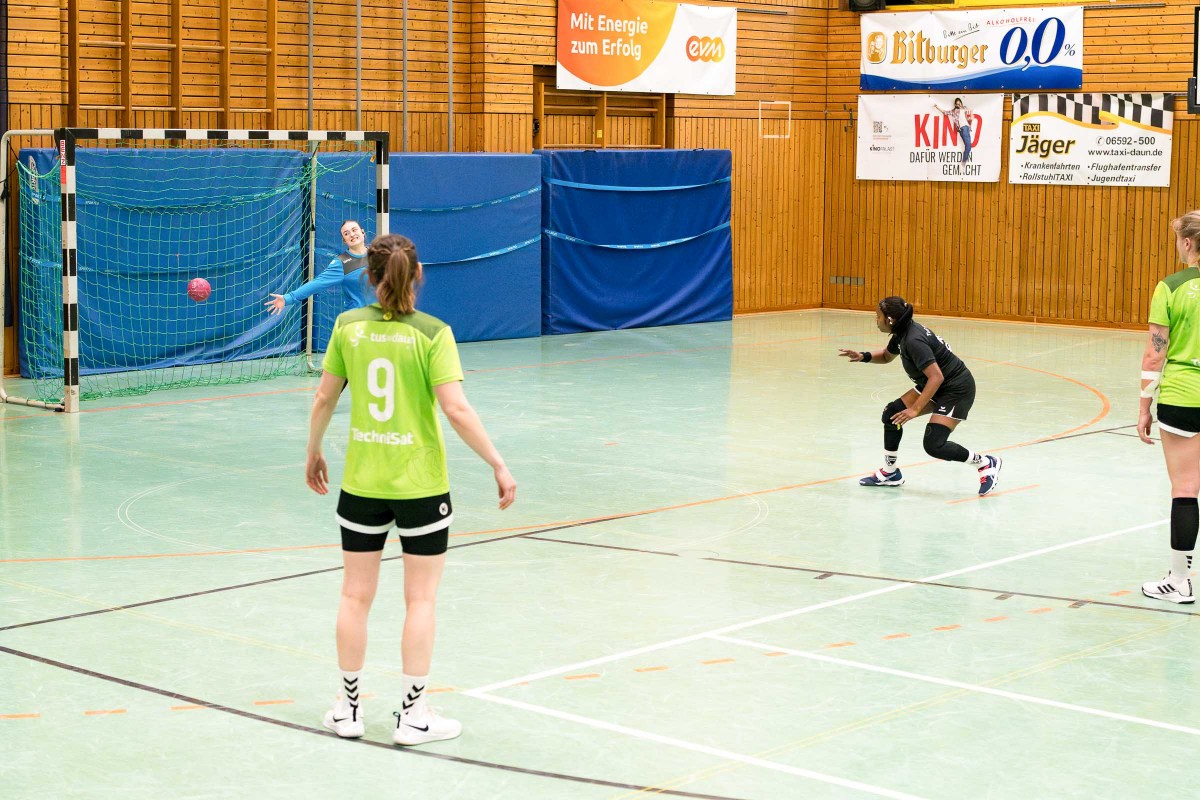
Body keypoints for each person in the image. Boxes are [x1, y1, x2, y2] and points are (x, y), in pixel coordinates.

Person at [305, 233, 517, 744]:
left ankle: (348, 711)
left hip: (363, 483)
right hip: (421, 486)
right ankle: (413, 716)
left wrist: (313, 450)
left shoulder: (347, 326)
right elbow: (456, 409)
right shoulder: (433, 333)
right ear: (417, 274)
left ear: (368, 276)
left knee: (354, 595)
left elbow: (323, 397)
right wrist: (498, 463)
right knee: (420, 600)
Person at [839, 296, 1002, 496]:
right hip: (934, 385)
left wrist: (915, 409)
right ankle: (890, 473)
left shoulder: (913, 340)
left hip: (955, 390)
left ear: (890, 320)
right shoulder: (901, 332)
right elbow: (887, 356)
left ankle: (985, 463)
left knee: (934, 445)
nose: (876, 320)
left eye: (878, 316)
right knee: (892, 414)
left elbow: (936, 377)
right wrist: (863, 356)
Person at [1138, 210, 1200, 604]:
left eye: (1179, 239)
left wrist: (1144, 406)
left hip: (1183, 396)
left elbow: (1154, 354)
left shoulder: (1171, 287)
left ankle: (1180, 581)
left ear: (1188, 243)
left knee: (1186, 488)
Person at [266, 220, 372, 315]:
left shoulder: (378, 254)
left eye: (354, 230)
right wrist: (288, 298)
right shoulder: (342, 263)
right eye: (346, 233)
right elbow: (317, 283)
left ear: (362, 232)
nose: (352, 234)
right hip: (357, 322)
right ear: (344, 241)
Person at [934, 98, 973, 163]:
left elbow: (969, 116)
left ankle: (964, 162)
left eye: (959, 103)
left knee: (968, 147)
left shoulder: (965, 108)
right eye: (957, 104)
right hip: (963, 129)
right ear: (955, 105)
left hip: (967, 128)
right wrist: (937, 107)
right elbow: (945, 112)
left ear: (961, 103)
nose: (958, 105)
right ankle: (963, 163)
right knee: (968, 147)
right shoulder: (955, 111)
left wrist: (969, 126)